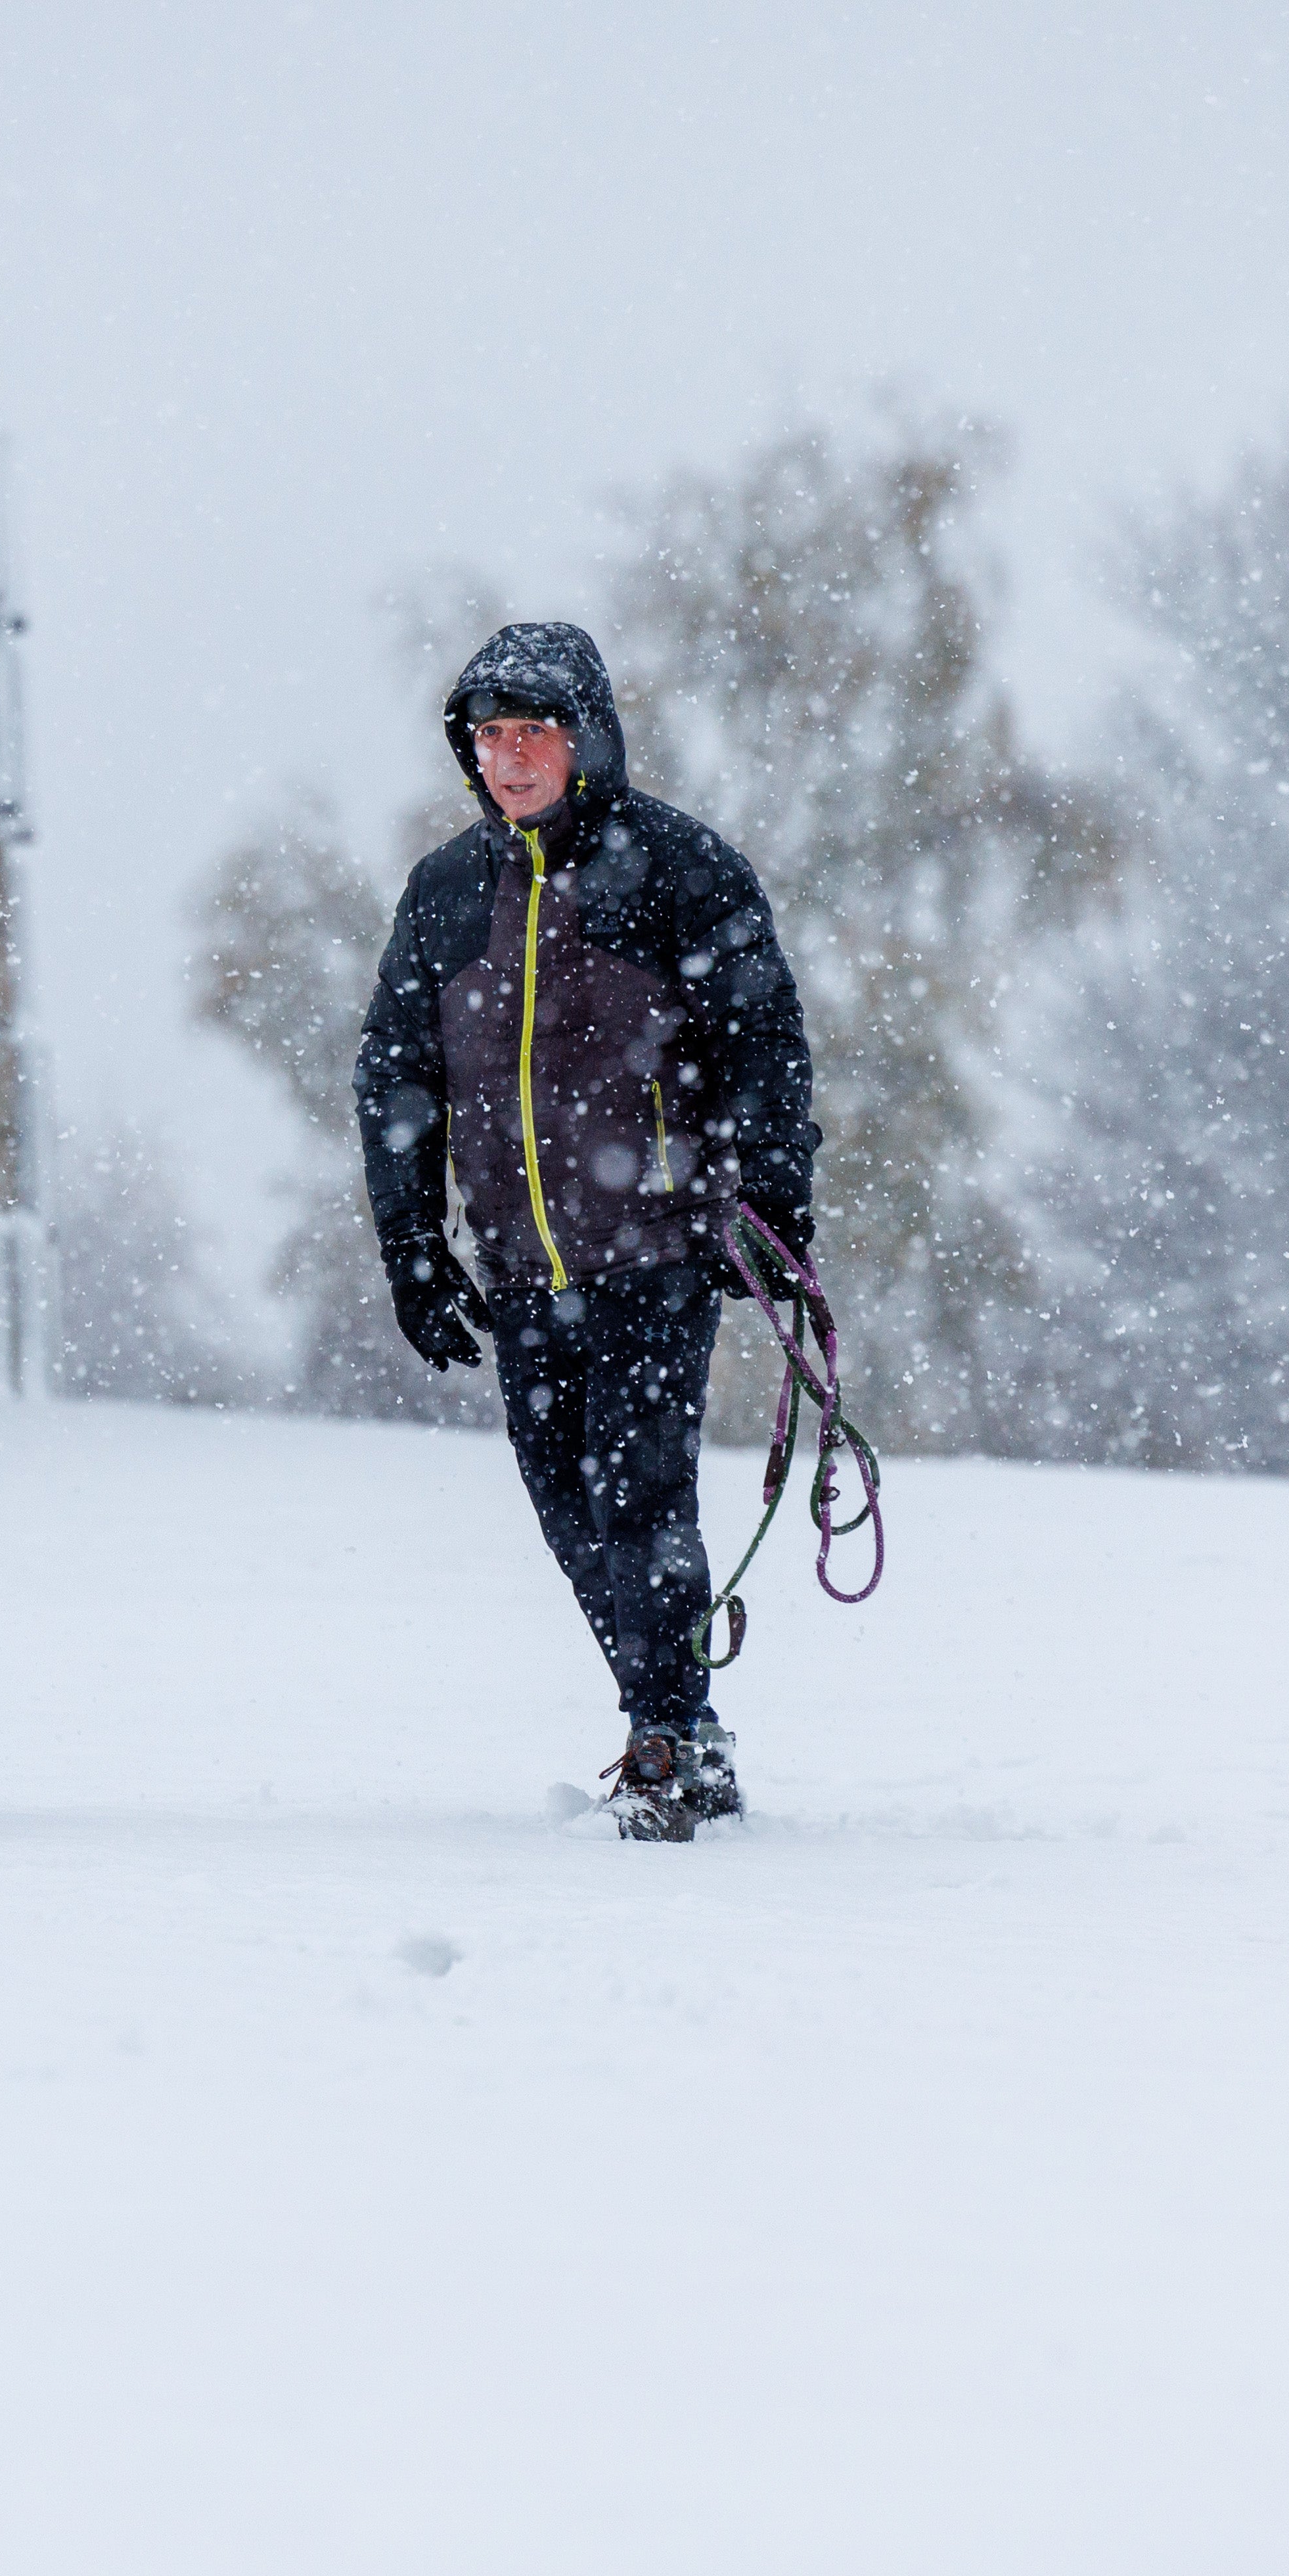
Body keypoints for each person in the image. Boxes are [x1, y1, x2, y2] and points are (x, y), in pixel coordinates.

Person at [353, 622, 821, 1841]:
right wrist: (413, 1247)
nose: (510, 761)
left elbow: (763, 1050)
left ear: (587, 739)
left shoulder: (678, 870)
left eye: (534, 735)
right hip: (521, 1270)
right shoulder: (447, 892)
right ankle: (678, 1722)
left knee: (642, 1500)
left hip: (658, 1251)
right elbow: (395, 1076)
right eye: (491, 738)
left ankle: (666, 1738)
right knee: (568, 1506)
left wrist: (762, 1209)